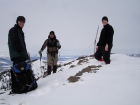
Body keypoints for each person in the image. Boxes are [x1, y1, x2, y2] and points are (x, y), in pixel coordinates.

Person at [8, 16, 28, 93]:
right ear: (17, 21)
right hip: (17, 54)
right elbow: (14, 42)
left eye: (23, 22)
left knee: (17, 70)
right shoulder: (13, 30)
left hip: (19, 54)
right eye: (20, 21)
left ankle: (16, 88)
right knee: (19, 71)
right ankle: (20, 87)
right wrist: (21, 51)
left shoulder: (20, 31)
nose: (22, 23)